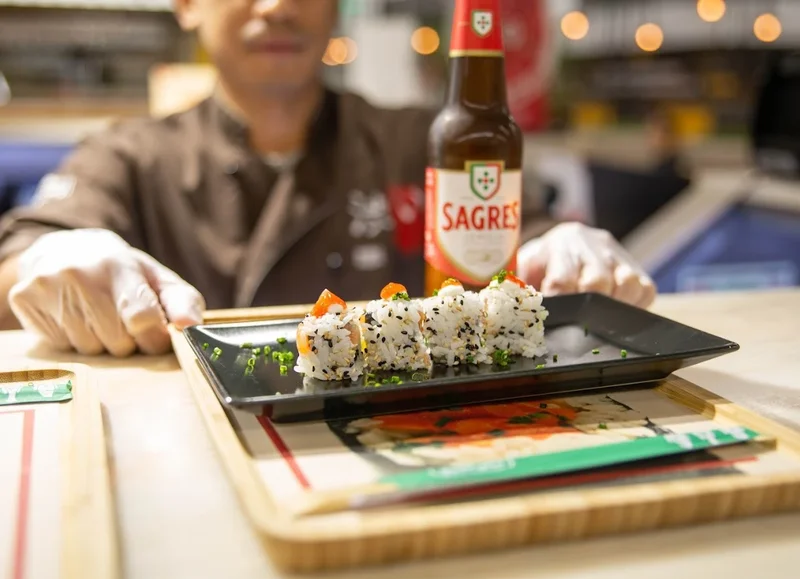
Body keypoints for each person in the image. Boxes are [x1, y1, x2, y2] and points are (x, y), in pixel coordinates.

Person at [0, 0, 655, 358]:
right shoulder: (130, 153)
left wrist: (566, 246)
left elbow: (524, 235)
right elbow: (23, 254)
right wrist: (53, 258)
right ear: (187, 5)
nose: (279, 7)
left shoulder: (415, 139)